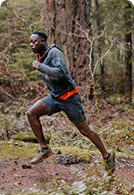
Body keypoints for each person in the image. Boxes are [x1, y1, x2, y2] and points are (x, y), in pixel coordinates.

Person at [27, 30, 115, 172]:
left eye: (34, 41)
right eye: (30, 42)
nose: (31, 45)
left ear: (43, 41)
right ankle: (44, 149)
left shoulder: (54, 53)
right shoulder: (40, 56)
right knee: (31, 113)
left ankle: (107, 155)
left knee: (85, 130)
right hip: (55, 98)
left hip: (69, 99)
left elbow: (62, 73)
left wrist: (40, 66)